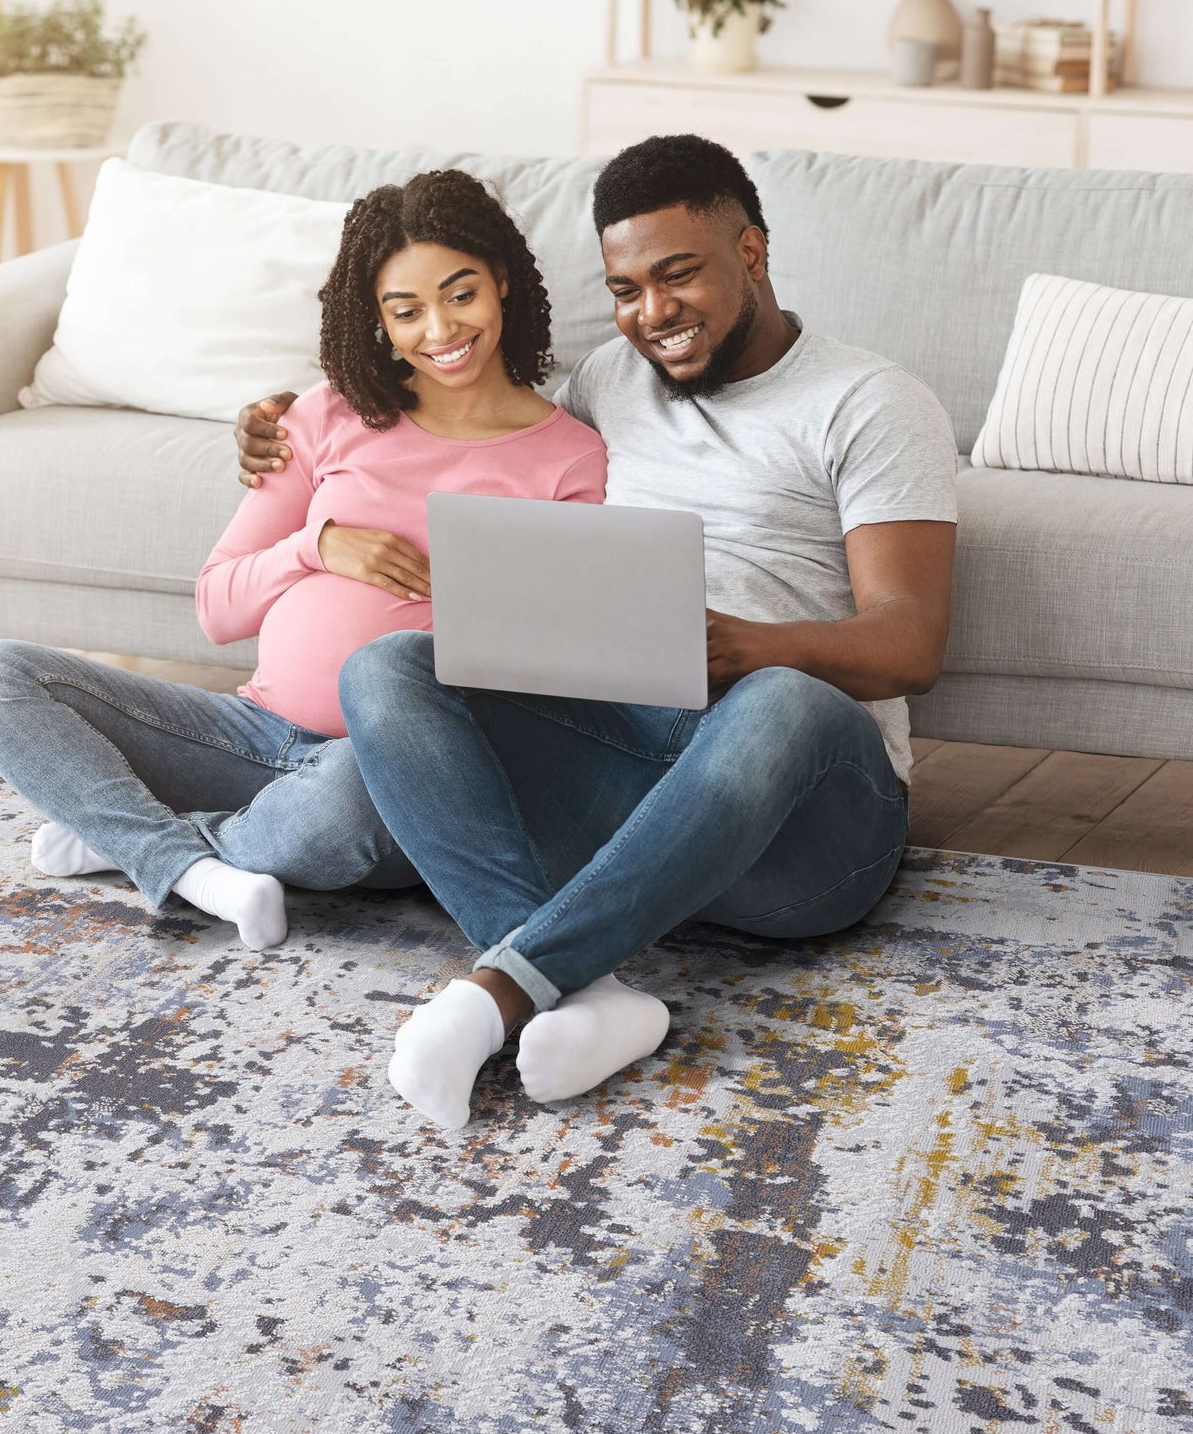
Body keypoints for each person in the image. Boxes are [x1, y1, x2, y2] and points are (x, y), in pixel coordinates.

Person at [233, 134, 960, 1130]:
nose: (652, 312)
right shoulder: (609, 382)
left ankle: (501, 989)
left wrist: (748, 648)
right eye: (625, 289)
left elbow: (910, 641)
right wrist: (285, 423)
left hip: (804, 824)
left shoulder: (869, 402)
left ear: (750, 251)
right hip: (634, 773)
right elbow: (464, 427)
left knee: (782, 700)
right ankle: (587, 993)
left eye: (677, 275)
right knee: (392, 667)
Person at [0, 168, 607, 954]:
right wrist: (318, 545)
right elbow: (216, 607)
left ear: (500, 279)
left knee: (357, 792)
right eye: (406, 310)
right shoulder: (328, 414)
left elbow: (558, 668)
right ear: (378, 319)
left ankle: (147, 841)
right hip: (248, 732)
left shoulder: (569, 459)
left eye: (460, 294)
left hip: (386, 774)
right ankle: (192, 858)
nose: (439, 329)